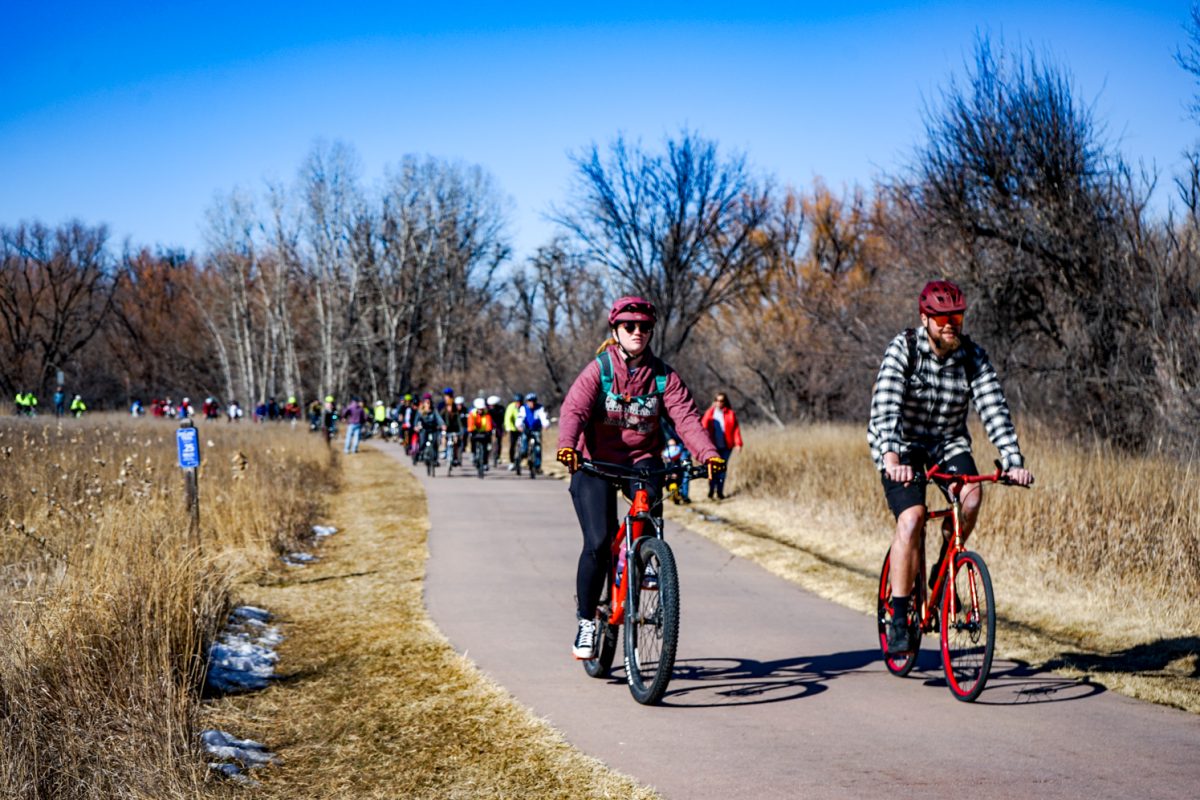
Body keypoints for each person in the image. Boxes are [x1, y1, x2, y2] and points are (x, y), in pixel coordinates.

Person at [868, 280, 1034, 654]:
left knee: (972, 497)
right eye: (941, 317)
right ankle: (898, 615)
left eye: (956, 316)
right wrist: (892, 459)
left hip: (947, 442)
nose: (950, 324)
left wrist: (1013, 461)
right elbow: (886, 408)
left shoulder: (972, 356)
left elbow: (994, 408)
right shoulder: (904, 349)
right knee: (911, 518)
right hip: (902, 444)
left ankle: (943, 572)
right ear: (924, 318)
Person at [556, 296, 725, 659]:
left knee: (649, 518)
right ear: (616, 330)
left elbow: (686, 419)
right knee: (598, 543)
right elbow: (574, 409)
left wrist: (708, 453)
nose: (638, 332)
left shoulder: (663, 376)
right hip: (594, 463)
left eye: (645, 327)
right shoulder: (600, 369)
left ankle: (645, 565)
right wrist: (568, 445)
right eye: (630, 326)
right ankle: (587, 621)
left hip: (640, 461)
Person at [700, 392, 743, 500]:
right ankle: (711, 490)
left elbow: (735, 430)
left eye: (721, 400)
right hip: (713, 447)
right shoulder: (709, 413)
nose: (719, 403)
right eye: (717, 400)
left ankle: (720, 492)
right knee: (713, 469)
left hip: (726, 446)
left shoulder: (730, 413)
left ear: (725, 402)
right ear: (714, 401)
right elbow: (703, 428)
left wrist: (738, 443)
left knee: (722, 470)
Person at [515, 392, 551, 475]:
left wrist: (545, 425)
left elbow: (543, 417)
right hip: (526, 429)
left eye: (533, 401)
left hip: (536, 430)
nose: (532, 403)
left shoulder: (540, 408)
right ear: (527, 402)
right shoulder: (523, 408)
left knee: (537, 448)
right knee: (524, 447)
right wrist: (519, 426)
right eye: (530, 401)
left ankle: (537, 466)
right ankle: (521, 457)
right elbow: (520, 418)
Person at [661, 436, 691, 504]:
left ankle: (683, 495)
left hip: (681, 446)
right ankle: (679, 495)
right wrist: (669, 438)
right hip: (672, 445)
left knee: (684, 470)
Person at [467, 397, 494, 468]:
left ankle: (485, 463)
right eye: (479, 409)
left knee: (486, 448)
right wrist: (471, 429)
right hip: (475, 432)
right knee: (473, 441)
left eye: (482, 409)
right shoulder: (472, 414)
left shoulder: (487, 414)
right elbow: (470, 423)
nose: (480, 410)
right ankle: (474, 454)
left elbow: (488, 424)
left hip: (484, 433)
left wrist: (489, 431)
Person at [487, 395, 505, 466]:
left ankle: (497, 456)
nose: (491, 407)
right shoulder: (487, 409)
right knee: (487, 440)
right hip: (489, 427)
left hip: (498, 427)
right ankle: (488, 453)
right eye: (490, 405)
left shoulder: (501, 409)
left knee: (499, 441)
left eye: (493, 405)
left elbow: (503, 419)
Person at [504, 394, 522, 468]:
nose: (518, 404)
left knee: (522, 445)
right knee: (512, 445)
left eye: (520, 402)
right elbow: (507, 418)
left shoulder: (523, 407)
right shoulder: (511, 407)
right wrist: (508, 427)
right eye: (517, 402)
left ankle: (521, 459)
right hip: (513, 429)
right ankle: (511, 462)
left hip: (521, 429)